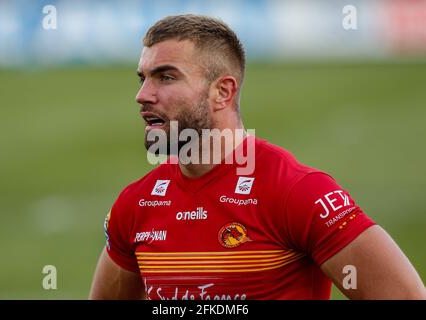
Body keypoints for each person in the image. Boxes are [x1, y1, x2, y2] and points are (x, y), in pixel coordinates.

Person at [89, 14, 426, 300]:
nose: (143, 95)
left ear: (222, 91)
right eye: (143, 78)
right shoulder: (136, 204)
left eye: (166, 76)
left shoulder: (298, 193)